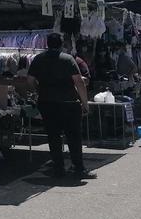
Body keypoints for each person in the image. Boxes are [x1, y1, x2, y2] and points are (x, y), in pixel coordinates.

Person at [28, 33, 93, 179]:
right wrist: (85, 103)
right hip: (69, 103)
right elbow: (79, 81)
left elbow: (30, 80)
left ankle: (59, 168)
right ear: (61, 44)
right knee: (73, 136)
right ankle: (78, 167)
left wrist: (39, 90)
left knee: (53, 136)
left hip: (47, 103)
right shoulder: (68, 59)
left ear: (47, 43)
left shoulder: (38, 59)